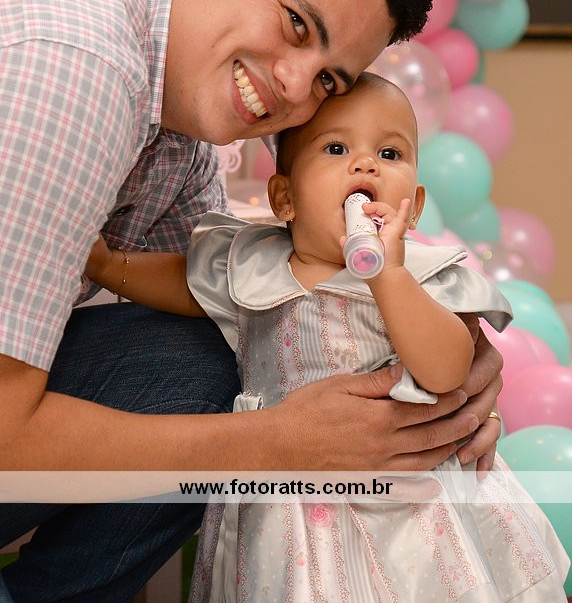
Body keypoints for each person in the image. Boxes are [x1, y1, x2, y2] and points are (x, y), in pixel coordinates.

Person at [0, 0, 503, 602]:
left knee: (219, 349)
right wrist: (271, 443)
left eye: (328, 79)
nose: (296, 88)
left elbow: (232, 298)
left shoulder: (180, 125)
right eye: (297, 24)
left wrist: (443, 369)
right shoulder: (78, 68)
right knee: (218, 384)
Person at [86, 73, 569, 602]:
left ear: (416, 206)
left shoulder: (420, 278)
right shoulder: (254, 266)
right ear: (284, 198)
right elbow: (186, 284)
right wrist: (111, 266)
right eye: (336, 148)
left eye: (390, 153)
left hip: (411, 508)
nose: (366, 165)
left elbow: (447, 370)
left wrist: (389, 276)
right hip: (290, 508)